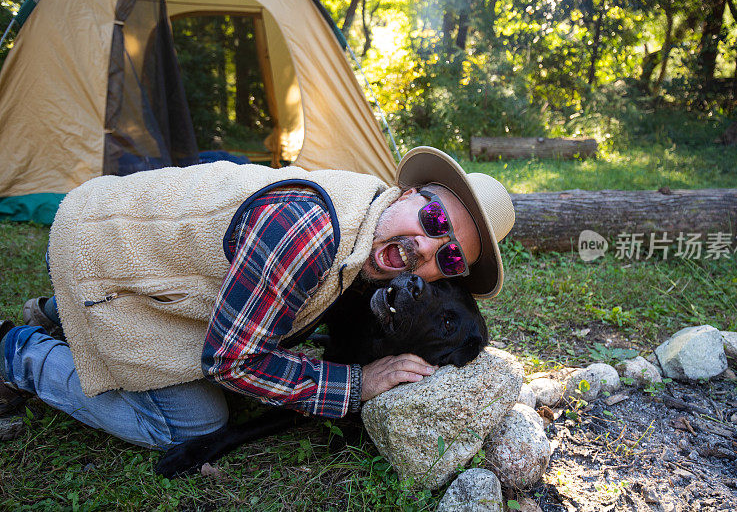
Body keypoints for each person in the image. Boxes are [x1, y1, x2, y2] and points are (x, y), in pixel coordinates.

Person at [0, 146, 515, 449]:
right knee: (193, 422)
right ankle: (21, 351)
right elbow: (231, 361)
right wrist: (358, 383)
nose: (421, 249)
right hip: (97, 249)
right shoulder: (310, 232)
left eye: (446, 259)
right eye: (433, 220)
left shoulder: (369, 216)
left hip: (147, 254)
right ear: (408, 195)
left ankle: (54, 313)